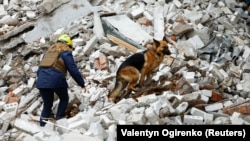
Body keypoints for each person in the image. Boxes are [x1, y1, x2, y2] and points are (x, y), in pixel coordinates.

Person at [36, 34, 86, 126]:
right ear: (68, 45)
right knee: (64, 98)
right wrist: (82, 83)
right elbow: (73, 70)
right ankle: (59, 119)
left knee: (47, 105)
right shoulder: (66, 53)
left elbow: (39, 71)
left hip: (41, 81)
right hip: (56, 79)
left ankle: (42, 127)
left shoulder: (48, 54)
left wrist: (43, 81)